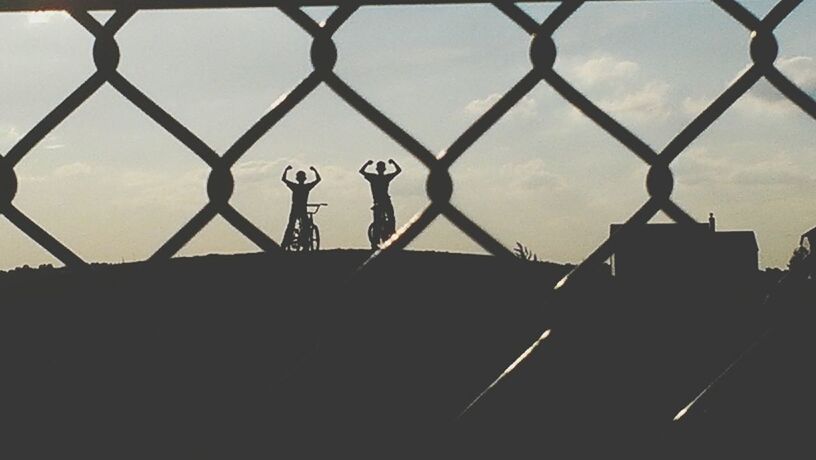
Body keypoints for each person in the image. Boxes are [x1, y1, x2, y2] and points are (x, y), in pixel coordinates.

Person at [360, 159, 401, 248]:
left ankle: (376, 241)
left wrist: (367, 163)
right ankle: (390, 233)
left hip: (380, 202)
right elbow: (398, 171)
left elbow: (362, 171)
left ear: (377, 169)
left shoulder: (374, 177)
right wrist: (393, 163)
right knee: (389, 219)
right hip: (384, 202)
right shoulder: (383, 178)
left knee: (379, 221)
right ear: (384, 169)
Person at [281, 165, 321, 249]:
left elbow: (283, 179)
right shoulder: (306, 187)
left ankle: (285, 244)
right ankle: (304, 243)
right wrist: (314, 171)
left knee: (291, 226)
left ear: (297, 179)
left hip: (295, 208)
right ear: (305, 179)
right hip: (301, 209)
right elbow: (318, 180)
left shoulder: (295, 186)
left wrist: (286, 170)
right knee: (304, 225)